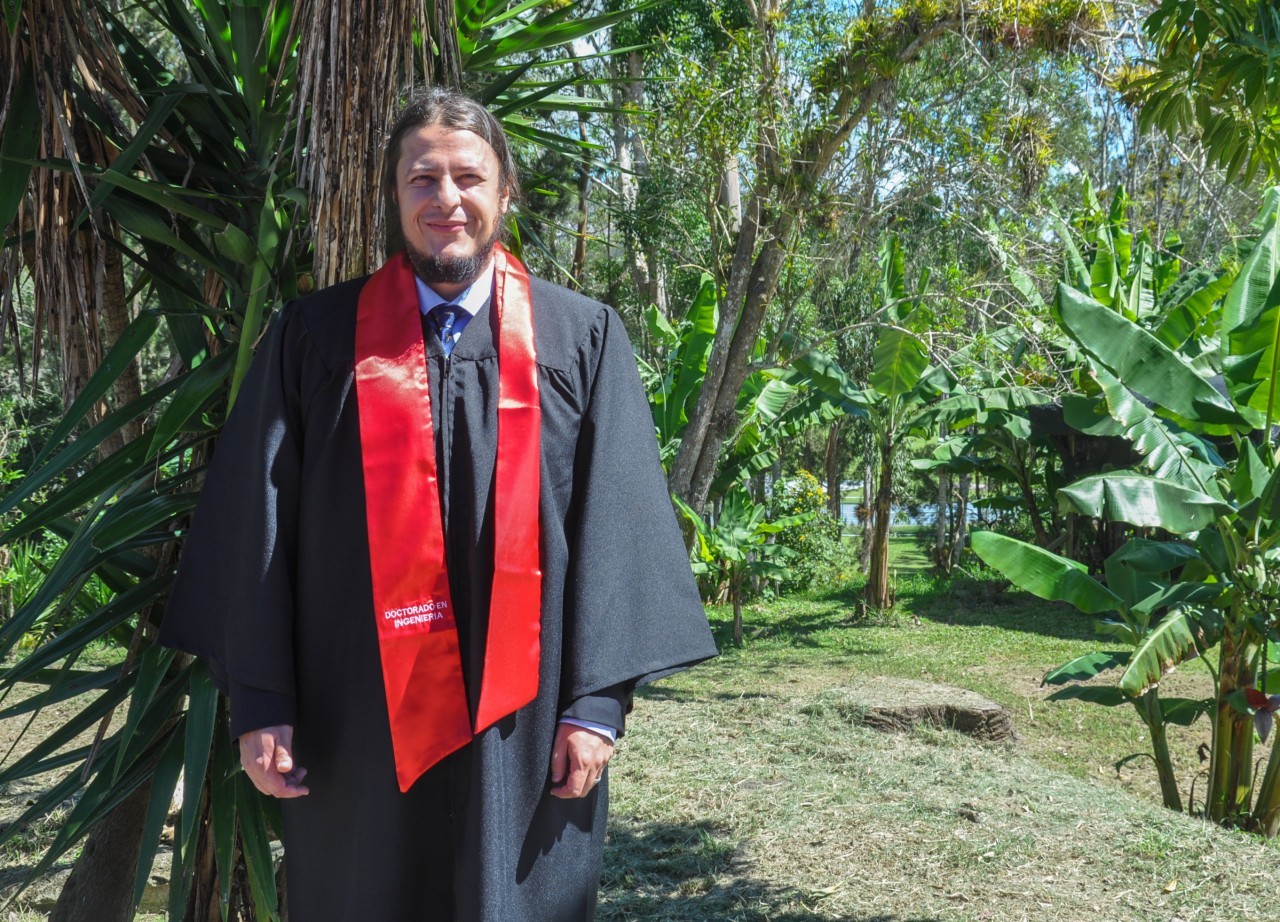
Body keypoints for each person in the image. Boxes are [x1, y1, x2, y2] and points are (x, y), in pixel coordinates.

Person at [158, 87, 717, 921]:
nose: (446, 199)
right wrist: (263, 705)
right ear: (394, 197)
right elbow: (256, 527)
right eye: (422, 179)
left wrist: (598, 708)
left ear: (505, 192)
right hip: (354, 720)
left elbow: (617, 523)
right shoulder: (314, 339)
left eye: (468, 177)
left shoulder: (581, 339)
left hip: (523, 729)